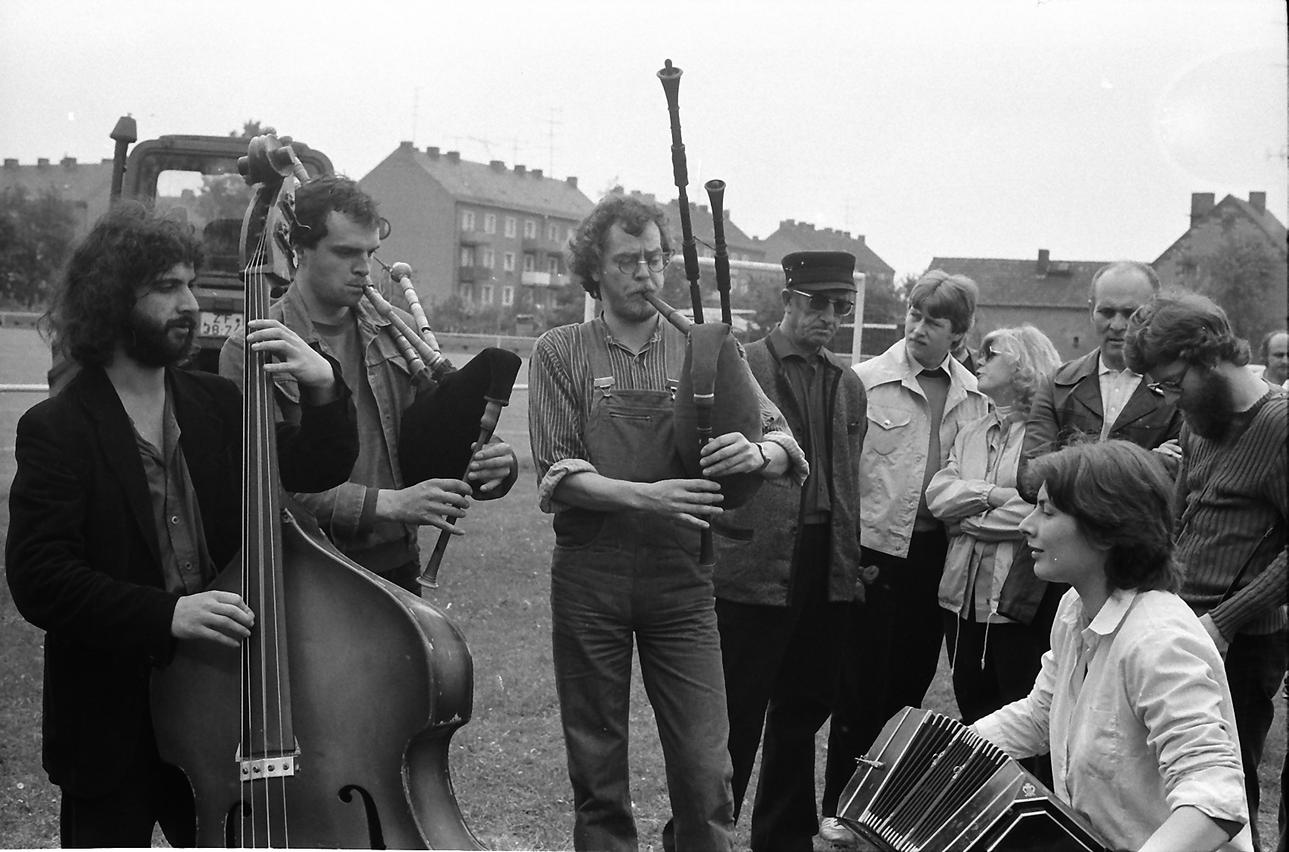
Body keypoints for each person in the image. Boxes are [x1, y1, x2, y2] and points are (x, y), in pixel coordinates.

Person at [5, 204, 359, 847]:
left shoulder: (219, 404)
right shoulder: (57, 430)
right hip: (113, 718)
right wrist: (166, 614)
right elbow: (40, 579)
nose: (190, 303)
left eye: (191, 283)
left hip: (222, 705)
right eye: (168, 287)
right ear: (112, 298)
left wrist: (322, 385)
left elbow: (317, 465)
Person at [527, 193, 805, 852]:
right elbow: (559, 471)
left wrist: (756, 453)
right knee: (597, 771)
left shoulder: (702, 348)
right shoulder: (559, 350)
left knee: (706, 773)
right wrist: (645, 497)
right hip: (589, 578)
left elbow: (785, 444)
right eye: (626, 261)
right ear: (592, 270)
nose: (645, 274)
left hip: (681, 585)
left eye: (653, 258)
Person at [220, 176, 517, 594]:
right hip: (307, 563)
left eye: (370, 252)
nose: (363, 267)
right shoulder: (253, 347)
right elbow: (263, 481)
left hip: (397, 561)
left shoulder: (399, 331)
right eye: (345, 252)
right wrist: (389, 504)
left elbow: (436, 436)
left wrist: (495, 465)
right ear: (298, 250)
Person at [972, 440, 1251, 852]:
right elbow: (1040, 713)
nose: (1026, 525)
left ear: (1105, 529)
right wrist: (941, 752)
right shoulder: (1075, 606)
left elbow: (1214, 796)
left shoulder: (1158, 640)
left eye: (1047, 511)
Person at [820, 269, 988, 840]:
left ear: (958, 334)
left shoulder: (975, 398)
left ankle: (883, 812)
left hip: (938, 557)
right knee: (858, 688)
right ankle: (839, 809)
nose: (917, 328)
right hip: (874, 556)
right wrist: (846, 561)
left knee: (909, 688)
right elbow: (843, 479)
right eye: (913, 315)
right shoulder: (863, 382)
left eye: (933, 321)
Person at [712, 251, 866, 852]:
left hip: (826, 563)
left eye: (840, 306)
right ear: (788, 299)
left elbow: (848, 477)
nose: (828, 317)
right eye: (817, 303)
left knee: (803, 712)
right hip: (755, 563)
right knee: (735, 716)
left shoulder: (847, 384)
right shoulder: (741, 365)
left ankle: (781, 838)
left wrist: (849, 563)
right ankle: (703, 834)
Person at [1126, 291, 1287, 851]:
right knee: (1163, 789)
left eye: (1173, 382)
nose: (1169, 398)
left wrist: (1225, 621)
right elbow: (1180, 519)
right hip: (1178, 625)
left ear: (1211, 356)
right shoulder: (1199, 419)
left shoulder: (1280, 426)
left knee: (1223, 802)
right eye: (1159, 388)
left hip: (1241, 648)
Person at [926, 325, 1061, 726]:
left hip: (1016, 602)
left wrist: (968, 518)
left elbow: (1035, 515)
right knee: (973, 709)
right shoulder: (971, 432)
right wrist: (994, 496)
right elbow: (937, 497)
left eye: (991, 353)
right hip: (959, 600)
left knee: (1019, 712)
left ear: (1024, 363)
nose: (978, 360)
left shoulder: (1045, 438)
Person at [1023, 261, 1181, 468]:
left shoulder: (1178, 390)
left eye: (1130, 313)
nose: (1117, 325)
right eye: (1106, 312)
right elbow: (1031, 476)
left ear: (1154, 314)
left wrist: (1067, 465)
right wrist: (1150, 462)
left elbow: (1181, 476)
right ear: (1091, 311)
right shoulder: (1056, 386)